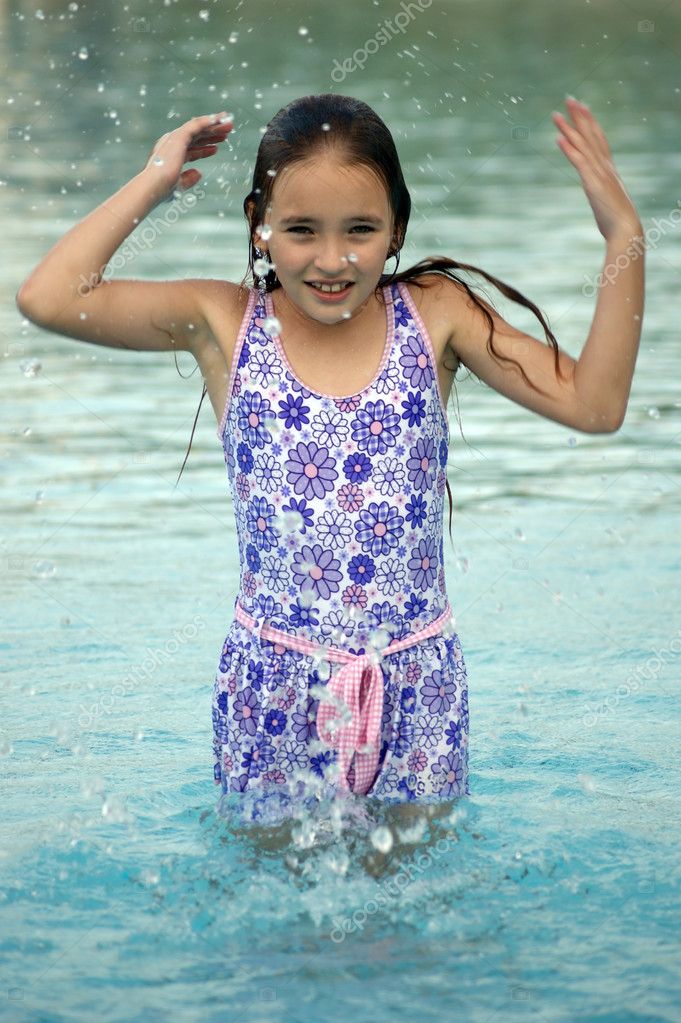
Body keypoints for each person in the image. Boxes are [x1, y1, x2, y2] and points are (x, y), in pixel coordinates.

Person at [15, 93, 645, 827]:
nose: (331, 259)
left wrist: (623, 235)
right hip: (272, 683)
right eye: (300, 230)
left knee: (411, 920)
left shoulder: (435, 314)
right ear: (259, 227)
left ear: (396, 228)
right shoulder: (224, 323)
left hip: (416, 680)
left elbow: (594, 407)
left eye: (360, 230)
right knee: (275, 925)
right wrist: (154, 181)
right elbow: (49, 297)